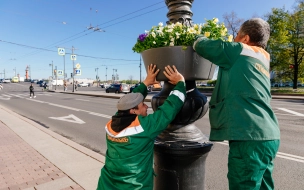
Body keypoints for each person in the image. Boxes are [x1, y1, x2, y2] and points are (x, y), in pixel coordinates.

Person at [193, 18, 280, 189]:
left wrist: (195, 34)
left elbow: (200, 44)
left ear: (246, 38)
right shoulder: (263, 58)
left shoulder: (240, 50)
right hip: (269, 136)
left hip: (248, 136)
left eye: (237, 35)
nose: (234, 39)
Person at [97, 64, 186, 190]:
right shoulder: (144, 127)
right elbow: (169, 109)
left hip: (107, 184)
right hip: (134, 186)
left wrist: (146, 82)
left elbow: (128, 101)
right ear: (133, 111)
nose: (147, 107)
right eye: (143, 104)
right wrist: (181, 83)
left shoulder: (114, 122)